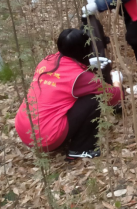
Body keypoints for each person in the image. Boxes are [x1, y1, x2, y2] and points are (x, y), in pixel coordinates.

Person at [15, 29, 124, 161]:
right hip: (46, 139)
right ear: (85, 49)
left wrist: (88, 64)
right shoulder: (81, 77)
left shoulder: (46, 61)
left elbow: (64, 73)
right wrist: (117, 80)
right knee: (93, 99)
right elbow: (114, 97)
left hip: (24, 130)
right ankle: (80, 149)